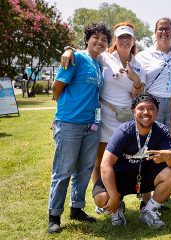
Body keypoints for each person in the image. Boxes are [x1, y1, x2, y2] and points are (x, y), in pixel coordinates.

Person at [61, 22, 146, 214]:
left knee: (122, 159)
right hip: (104, 116)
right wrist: (69, 50)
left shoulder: (139, 65)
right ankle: (102, 196)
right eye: (121, 37)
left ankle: (117, 195)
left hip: (126, 119)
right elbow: (86, 54)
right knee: (99, 160)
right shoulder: (104, 58)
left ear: (133, 41)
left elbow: (138, 96)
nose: (125, 40)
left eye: (129, 37)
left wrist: (136, 80)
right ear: (115, 40)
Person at [48, 23, 112, 234]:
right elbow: (57, 88)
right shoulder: (76, 58)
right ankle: (54, 215)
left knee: (84, 170)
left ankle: (77, 208)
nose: (100, 41)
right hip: (70, 124)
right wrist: (64, 112)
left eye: (104, 39)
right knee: (63, 170)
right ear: (87, 39)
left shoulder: (97, 64)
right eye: (96, 37)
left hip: (92, 125)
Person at [92, 93, 171, 229]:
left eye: (151, 108)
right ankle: (117, 207)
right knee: (101, 198)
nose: (146, 112)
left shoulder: (161, 130)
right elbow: (105, 165)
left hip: (144, 178)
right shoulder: (123, 131)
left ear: (156, 112)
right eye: (141, 108)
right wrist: (114, 196)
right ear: (133, 111)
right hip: (119, 178)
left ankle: (149, 211)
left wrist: (169, 156)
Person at [136, 17, 171, 166]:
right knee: (151, 142)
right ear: (155, 32)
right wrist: (70, 49)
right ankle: (149, 181)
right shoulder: (144, 55)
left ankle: (170, 178)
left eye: (167, 28)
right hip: (153, 104)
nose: (164, 32)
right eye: (161, 29)